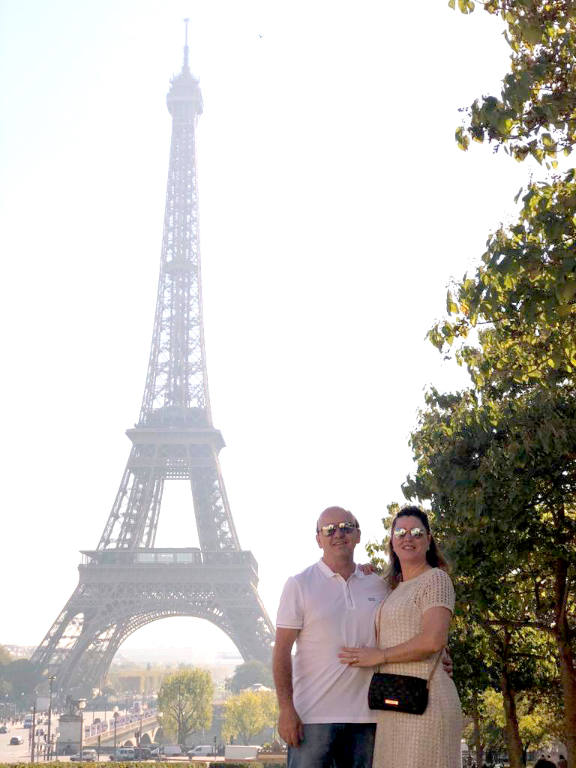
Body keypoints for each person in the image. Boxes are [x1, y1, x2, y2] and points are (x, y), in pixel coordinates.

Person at [339, 506, 462, 768]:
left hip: (426, 703)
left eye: (416, 532)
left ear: (428, 540)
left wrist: (378, 656)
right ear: (392, 542)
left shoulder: (436, 579)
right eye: (401, 532)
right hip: (393, 703)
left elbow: (433, 640)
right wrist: (362, 573)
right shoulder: (392, 588)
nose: (408, 537)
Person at [273, 506, 390, 768]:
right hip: (312, 718)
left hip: (368, 719)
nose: (338, 534)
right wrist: (286, 710)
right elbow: (281, 651)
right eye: (329, 529)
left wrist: (441, 656)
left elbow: (405, 623)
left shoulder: (379, 584)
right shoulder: (299, 584)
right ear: (318, 539)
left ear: (358, 535)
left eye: (346, 527)